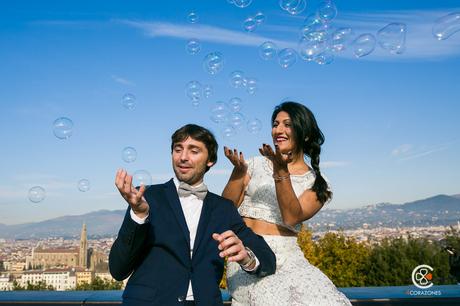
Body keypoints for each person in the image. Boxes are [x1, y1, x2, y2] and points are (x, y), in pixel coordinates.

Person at [109, 124, 276, 306]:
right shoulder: (147, 198)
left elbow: (268, 259)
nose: (183, 157)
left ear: (210, 160)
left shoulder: (224, 209)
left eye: (193, 151)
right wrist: (139, 216)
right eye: (177, 149)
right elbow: (118, 270)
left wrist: (247, 258)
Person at [222, 102, 352, 305]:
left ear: (305, 134)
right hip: (248, 253)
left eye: (287, 124)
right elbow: (225, 211)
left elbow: (291, 217)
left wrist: (280, 171)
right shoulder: (254, 164)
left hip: (289, 259)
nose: (278, 130)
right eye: (275, 124)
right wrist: (237, 174)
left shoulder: (319, 184)